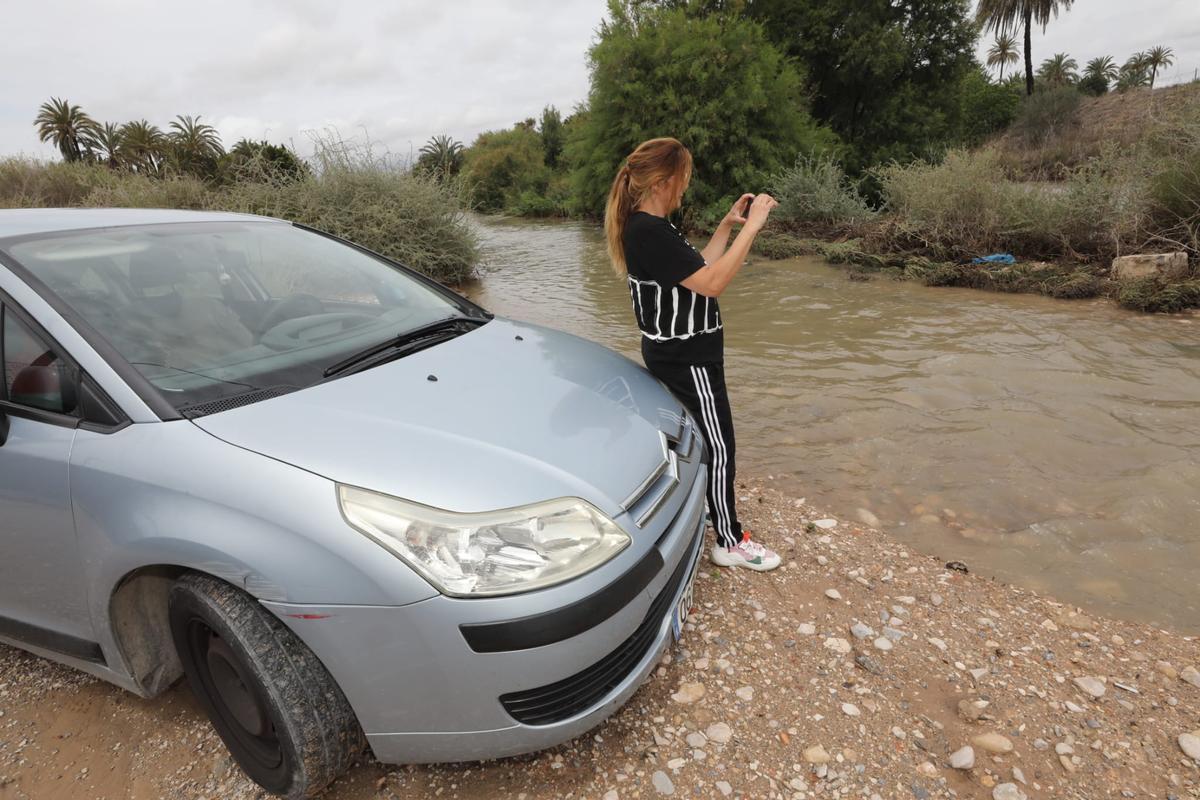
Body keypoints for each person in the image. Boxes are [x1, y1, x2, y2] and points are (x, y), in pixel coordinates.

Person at [605, 137, 781, 572]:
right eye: (682, 178)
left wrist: (727, 226)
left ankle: (703, 507)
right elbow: (713, 283)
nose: (685, 187)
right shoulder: (648, 230)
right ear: (664, 180)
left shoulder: (648, 227)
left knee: (696, 437)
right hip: (689, 357)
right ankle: (730, 539)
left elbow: (695, 271)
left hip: (674, 352)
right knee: (721, 446)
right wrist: (754, 228)